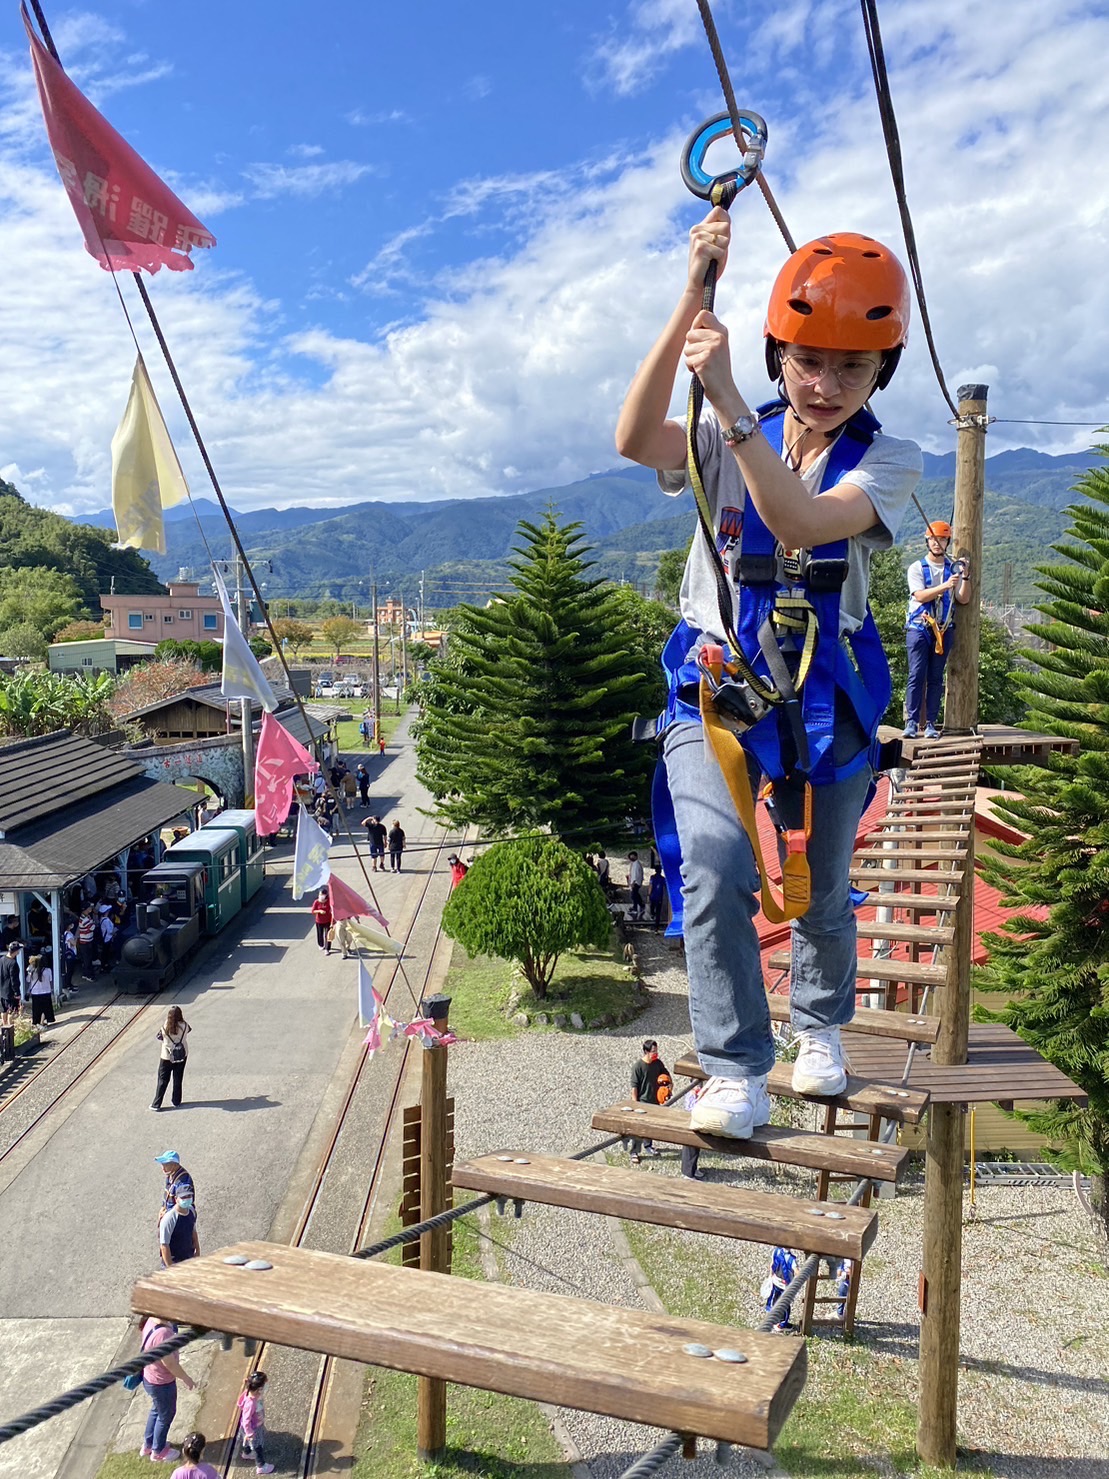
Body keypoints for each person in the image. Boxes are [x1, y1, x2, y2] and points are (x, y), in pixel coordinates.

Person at [615, 207, 921, 1139]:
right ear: (777, 352)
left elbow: (793, 521)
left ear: (880, 372)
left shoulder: (891, 461)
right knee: (709, 866)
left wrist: (735, 404)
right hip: (716, 684)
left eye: (851, 367)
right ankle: (736, 1065)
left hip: (832, 691)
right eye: (805, 360)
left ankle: (820, 1027)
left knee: (823, 881)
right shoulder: (716, 435)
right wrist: (691, 294)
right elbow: (633, 437)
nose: (824, 383)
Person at [904, 520, 972, 738]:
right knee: (916, 675)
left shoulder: (952, 569)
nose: (937, 543)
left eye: (941, 539)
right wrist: (946, 585)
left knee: (935, 677)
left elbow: (962, 598)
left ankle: (931, 723)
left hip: (942, 629)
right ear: (927, 541)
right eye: (933, 539)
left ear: (947, 541)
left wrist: (965, 576)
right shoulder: (916, 568)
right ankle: (912, 722)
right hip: (920, 627)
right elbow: (920, 595)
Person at [137, 1315, 196, 1462]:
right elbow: (170, 1364)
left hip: (150, 1377)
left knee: (157, 1410)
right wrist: (186, 1378)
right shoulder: (163, 1334)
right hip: (162, 1383)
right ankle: (158, 1451)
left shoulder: (150, 1321)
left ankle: (149, 1444)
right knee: (166, 1415)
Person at [629, 1040, 672, 1164]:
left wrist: (669, 1088)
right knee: (638, 1128)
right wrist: (635, 1104)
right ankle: (634, 1152)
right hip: (642, 1102)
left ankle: (648, 1146)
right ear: (646, 1051)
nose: (656, 1054)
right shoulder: (638, 1067)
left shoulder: (658, 1064)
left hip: (655, 1101)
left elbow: (667, 1077)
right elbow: (634, 1087)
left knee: (651, 1126)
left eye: (656, 1051)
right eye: (653, 1052)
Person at [151, 1005, 191, 1111]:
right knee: (178, 1078)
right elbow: (189, 1030)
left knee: (163, 1080)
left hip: (167, 1056)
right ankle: (176, 1101)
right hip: (182, 1054)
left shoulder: (165, 1027)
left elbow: (159, 1037)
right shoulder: (185, 1025)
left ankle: (157, 1104)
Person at [236, 1370, 275, 1474]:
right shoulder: (251, 1403)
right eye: (265, 1384)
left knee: (247, 1443)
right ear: (259, 1389)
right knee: (258, 1447)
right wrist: (249, 1432)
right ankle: (261, 1465)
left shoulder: (251, 1393)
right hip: (253, 1429)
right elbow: (246, 1419)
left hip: (250, 1427)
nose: (267, 1385)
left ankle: (246, 1453)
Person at [159, 1180, 199, 1267]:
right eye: (183, 1197)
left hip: (189, 1259)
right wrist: (171, 1268)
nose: (187, 1199)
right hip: (174, 1262)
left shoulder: (191, 1211)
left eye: (189, 1196)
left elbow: (193, 1231)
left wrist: (197, 1252)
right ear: (176, 1199)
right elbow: (164, 1246)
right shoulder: (169, 1219)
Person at [761, 1246, 798, 1332]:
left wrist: (770, 1276)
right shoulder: (792, 1260)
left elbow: (772, 1264)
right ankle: (781, 1324)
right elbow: (797, 1272)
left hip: (775, 1281)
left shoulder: (776, 1251)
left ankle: (772, 1319)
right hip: (785, 1286)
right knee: (785, 1305)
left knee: (774, 1300)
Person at [155, 1150, 195, 1220]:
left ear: (175, 1165)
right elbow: (167, 1193)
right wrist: (163, 1207)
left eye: (166, 1165)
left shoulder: (183, 1182)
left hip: (180, 1220)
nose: (163, 1168)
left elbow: (184, 1204)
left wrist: (168, 1214)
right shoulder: (170, 1175)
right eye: (162, 1165)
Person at [26, 954, 54, 1033]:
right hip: (46, 992)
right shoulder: (48, 970)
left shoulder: (32, 972)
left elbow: (28, 981)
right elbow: (50, 980)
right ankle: (42, 1022)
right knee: (46, 1008)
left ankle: (37, 1023)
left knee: (37, 1009)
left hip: (35, 993)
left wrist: (29, 970)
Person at [1, 942, 22, 1026]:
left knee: (3, 1010)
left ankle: (4, 1029)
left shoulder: (1, 959)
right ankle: (10, 1031)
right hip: (10, 992)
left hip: (2, 991)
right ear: (16, 951)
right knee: (12, 1012)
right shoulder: (13, 963)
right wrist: (17, 993)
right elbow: (14, 980)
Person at [76, 904, 98, 980]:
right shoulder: (84, 919)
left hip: (87, 941)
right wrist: (92, 921)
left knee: (88, 958)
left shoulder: (85, 918)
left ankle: (86, 973)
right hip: (85, 942)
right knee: (87, 959)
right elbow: (92, 927)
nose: (90, 910)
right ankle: (88, 975)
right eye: (88, 908)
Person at [311, 888, 333, 953]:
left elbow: (332, 908)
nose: (321, 896)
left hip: (328, 921)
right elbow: (313, 911)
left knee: (328, 935)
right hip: (319, 921)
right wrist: (319, 911)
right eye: (320, 894)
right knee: (320, 934)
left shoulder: (329, 901)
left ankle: (327, 948)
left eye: (323, 895)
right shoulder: (316, 902)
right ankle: (321, 945)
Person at [647, 864, 667, 932]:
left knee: (652, 906)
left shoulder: (652, 877)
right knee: (658, 911)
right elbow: (665, 886)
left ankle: (652, 914)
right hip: (659, 897)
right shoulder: (663, 879)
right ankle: (656, 926)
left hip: (653, 896)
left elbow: (650, 886)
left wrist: (648, 894)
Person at [626, 852, 645, 919]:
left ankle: (635, 909)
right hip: (636, 882)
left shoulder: (636, 865)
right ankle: (641, 905)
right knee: (636, 894)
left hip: (635, 882)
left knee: (634, 895)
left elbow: (635, 874)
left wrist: (633, 882)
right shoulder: (634, 864)